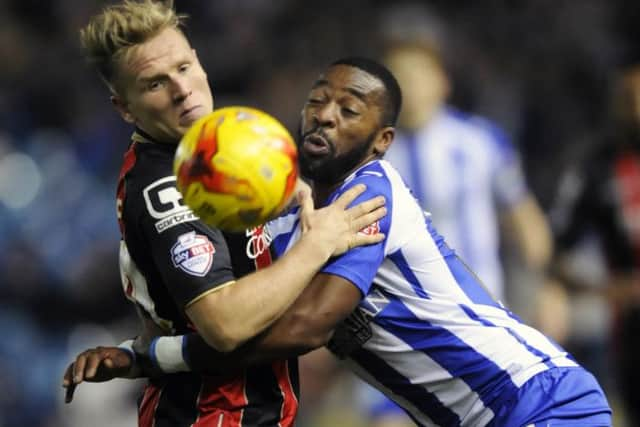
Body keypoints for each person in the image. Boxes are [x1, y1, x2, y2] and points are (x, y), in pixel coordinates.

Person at [66, 56, 612, 427]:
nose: (325, 114)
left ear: (382, 141)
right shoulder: (291, 232)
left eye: (349, 110)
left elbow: (307, 326)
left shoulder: (369, 195)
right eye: (317, 100)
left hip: (537, 397)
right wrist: (141, 352)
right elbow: (231, 317)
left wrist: (156, 358)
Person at [63, 1, 386, 426]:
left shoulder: (212, 147)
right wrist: (318, 244)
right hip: (214, 416)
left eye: (182, 67)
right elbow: (225, 323)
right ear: (125, 107)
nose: (182, 89)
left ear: (199, 62)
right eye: (154, 84)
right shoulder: (167, 187)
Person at [382, 37, 552, 303]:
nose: (408, 85)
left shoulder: (481, 141)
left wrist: (544, 286)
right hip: (408, 314)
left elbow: (525, 220)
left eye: (417, 74)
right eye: (397, 76)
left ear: (442, 82)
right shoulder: (372, 156)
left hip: (483, 305)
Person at [551, 62, 640, 426]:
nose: (636, 107)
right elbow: (555, 253)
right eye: (628, 98)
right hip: (633, 332)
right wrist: (607, 290)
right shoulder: (595, 169)